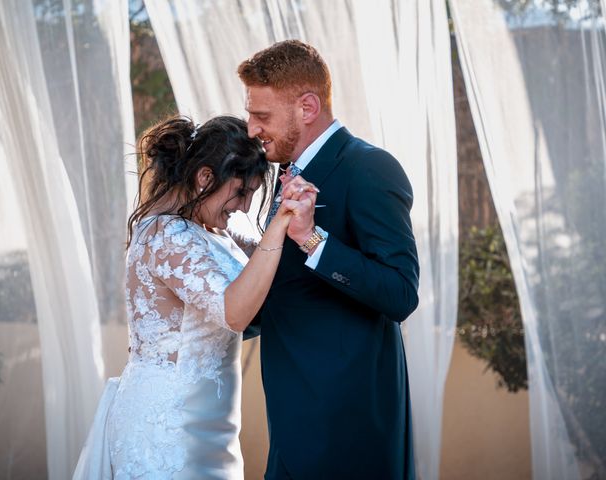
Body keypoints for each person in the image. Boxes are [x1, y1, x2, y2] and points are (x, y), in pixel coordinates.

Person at [73, 114, 318, 479]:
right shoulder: (165, 234)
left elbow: (267, 266)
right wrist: (279, 223)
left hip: (211, 427)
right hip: (168, 426)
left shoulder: (211, 229)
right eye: (242, 192)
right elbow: (233, 312)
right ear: (205, 177)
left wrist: (303, 224)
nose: (245, 207)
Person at [238, 40, 420, 479]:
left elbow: (400, 293)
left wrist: (312, 238)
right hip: (291, 416)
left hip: (348, 423)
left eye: (261, 116)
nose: (251, 129)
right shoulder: (284, 177)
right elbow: (286, 292)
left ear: (307, 106)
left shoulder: (370, 169)